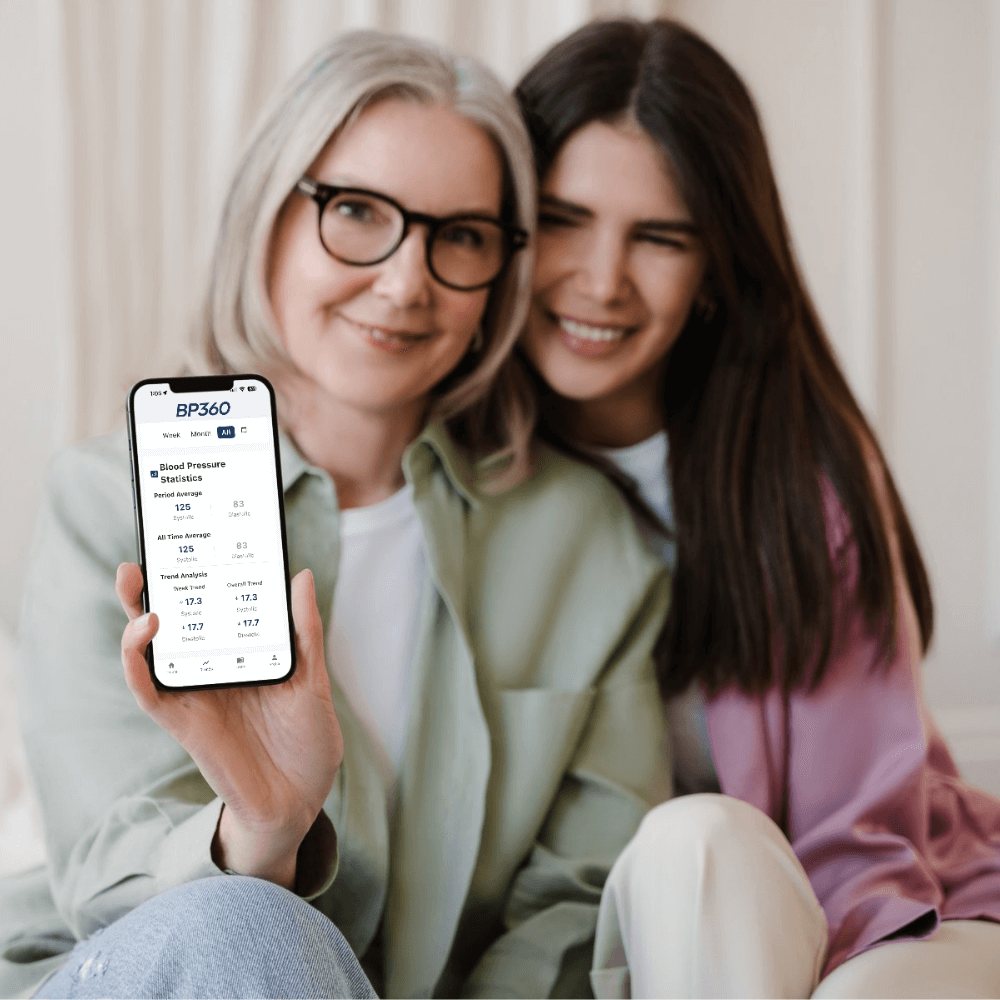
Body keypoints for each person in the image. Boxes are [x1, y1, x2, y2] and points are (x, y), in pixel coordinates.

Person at [0, 29, 673, 999]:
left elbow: (577, 905)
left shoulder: (582, 542)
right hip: (131, 973)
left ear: (499, 280)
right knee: (242, 923)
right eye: (355, 211)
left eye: (462, 236)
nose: (406, 282)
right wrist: (264, 830)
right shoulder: (111, 505)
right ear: (267, 216)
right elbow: (111, 881)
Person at [515, 16, 1000, 999]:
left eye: (659, 236)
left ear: (711, 268)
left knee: (703, 845)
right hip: (637, 933)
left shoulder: (795, 473)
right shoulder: (461, 479)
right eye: (564, 219)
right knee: (685, 851)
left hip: (885, 911)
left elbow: (854, 845)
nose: (600, 280)